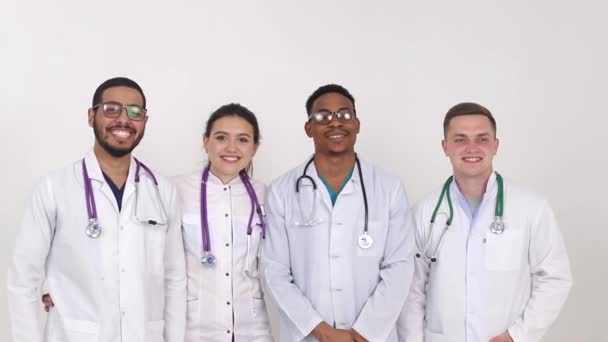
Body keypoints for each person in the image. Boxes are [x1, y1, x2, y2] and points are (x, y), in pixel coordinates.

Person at [7, 77, 186, 342]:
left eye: (135, 112)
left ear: (145, 122)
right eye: (111, 109)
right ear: (92, 116)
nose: (124, 120)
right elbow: (23, 280)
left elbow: (174, 280)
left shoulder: (163, 191)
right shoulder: (54, 188)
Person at [397, 102, 572, 342]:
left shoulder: (532, 208)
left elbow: (555, 278)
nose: (472, 148)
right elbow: (410, 292)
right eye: (460, 139)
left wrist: (517, 335)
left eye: (482, 139)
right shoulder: (423, 213)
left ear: (495, 145)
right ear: (445, 146)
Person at [261, 84, 415, 342]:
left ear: (357, 124)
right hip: (309, 335)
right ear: (309, 128)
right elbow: (274, 270)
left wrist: (364, 332)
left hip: (371, 336)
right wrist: (322, 331)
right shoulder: (282, 190)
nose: (335, 123)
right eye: (323, 116)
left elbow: (399, 265)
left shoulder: (388, 187)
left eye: (344, 115)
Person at [172, 103, 273, 341]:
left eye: (243, 140)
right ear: (205, 141)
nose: (231, 148)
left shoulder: (267, 195)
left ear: (254, 148)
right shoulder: (175, 190)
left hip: (254, 329)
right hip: (193, 330)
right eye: (221, 137)